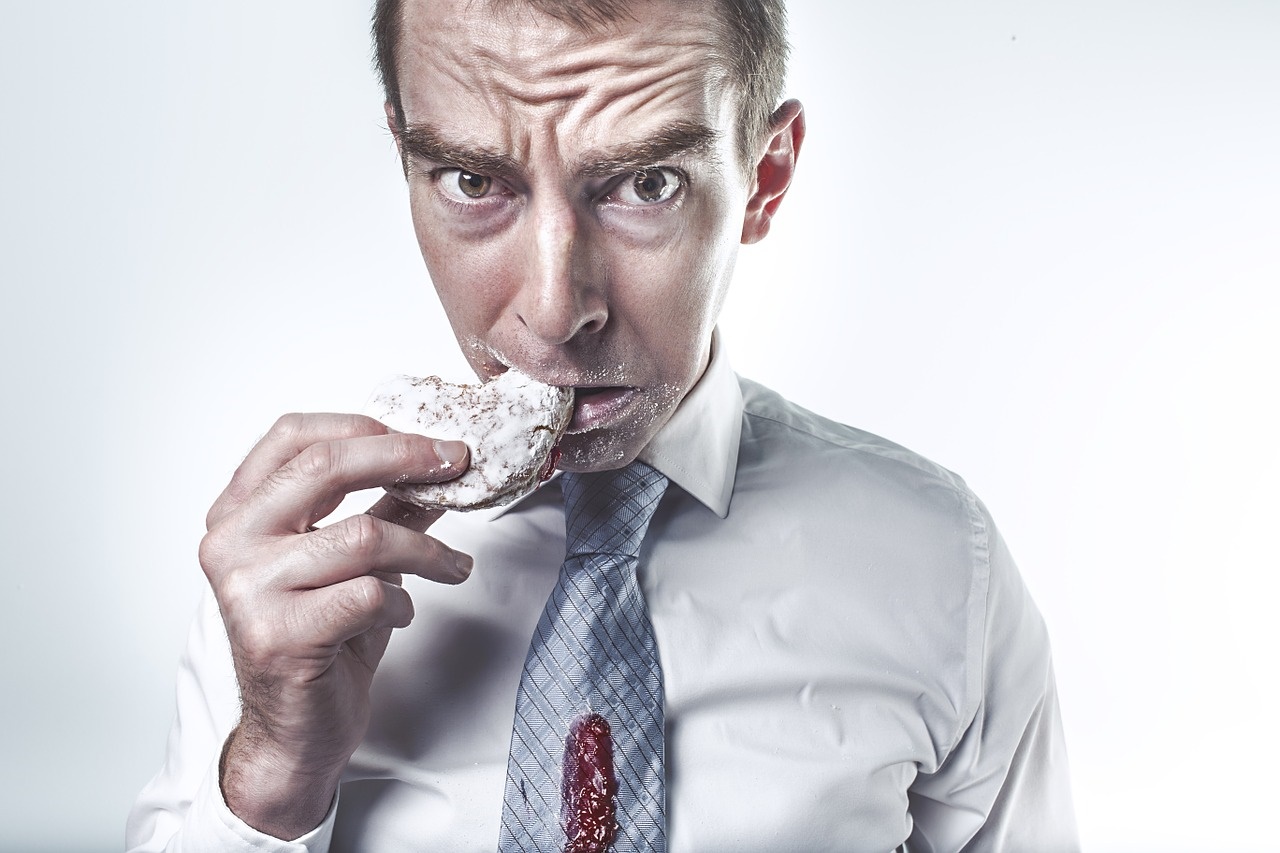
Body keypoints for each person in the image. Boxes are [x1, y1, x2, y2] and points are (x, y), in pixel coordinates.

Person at [128, 0, 1079, 850]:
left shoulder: (943, 566)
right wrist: (267, 787)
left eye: (646, 184)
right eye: (469, 179)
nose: (553, 309)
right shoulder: (297, 561)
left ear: (765, 178)